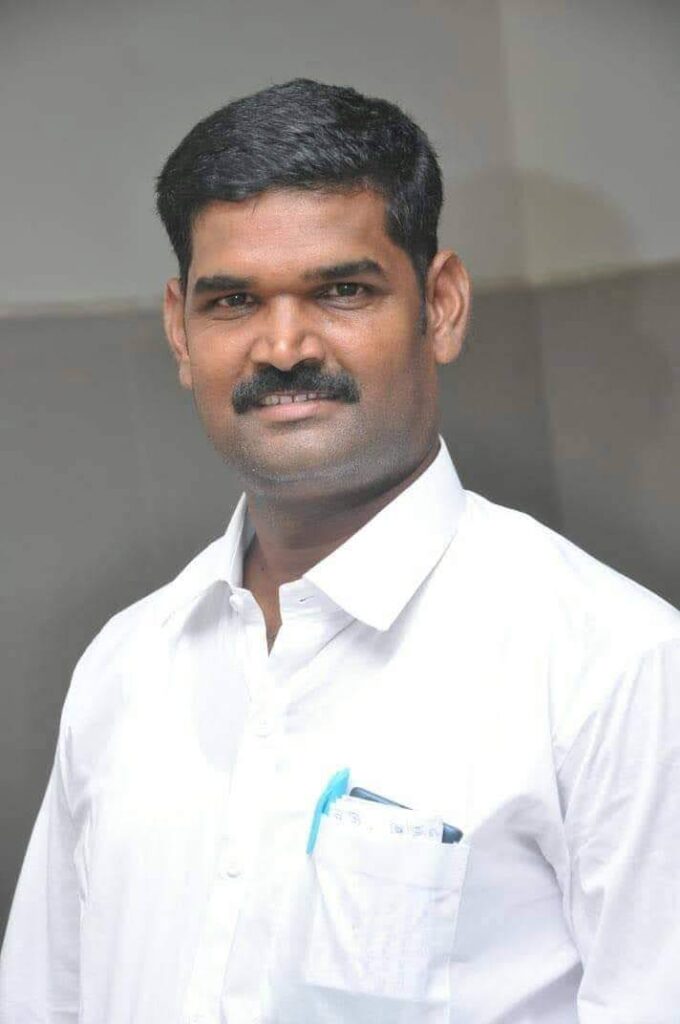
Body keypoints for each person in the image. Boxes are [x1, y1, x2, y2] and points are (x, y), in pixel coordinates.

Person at [1, 78, 679, 1024]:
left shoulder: (614, 666)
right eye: (234, 301)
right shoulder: (125, 666)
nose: (283, 347)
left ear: (441, 305)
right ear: (180, 330)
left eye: (342, 291)